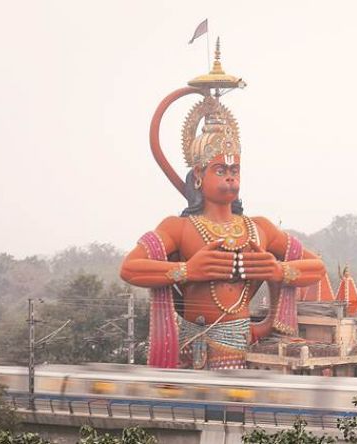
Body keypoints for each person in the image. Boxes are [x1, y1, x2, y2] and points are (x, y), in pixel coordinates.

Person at [121, 96, 325, 370]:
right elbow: (130, 268)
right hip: (190, 347)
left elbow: (316, 267)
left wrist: (278, 271)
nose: (230, 177)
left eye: (234, 170)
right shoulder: (178, 227)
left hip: (240, 346)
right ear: (198, 175)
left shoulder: (259, 227)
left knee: (234, 409)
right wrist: (187, 270)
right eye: (220, 170)